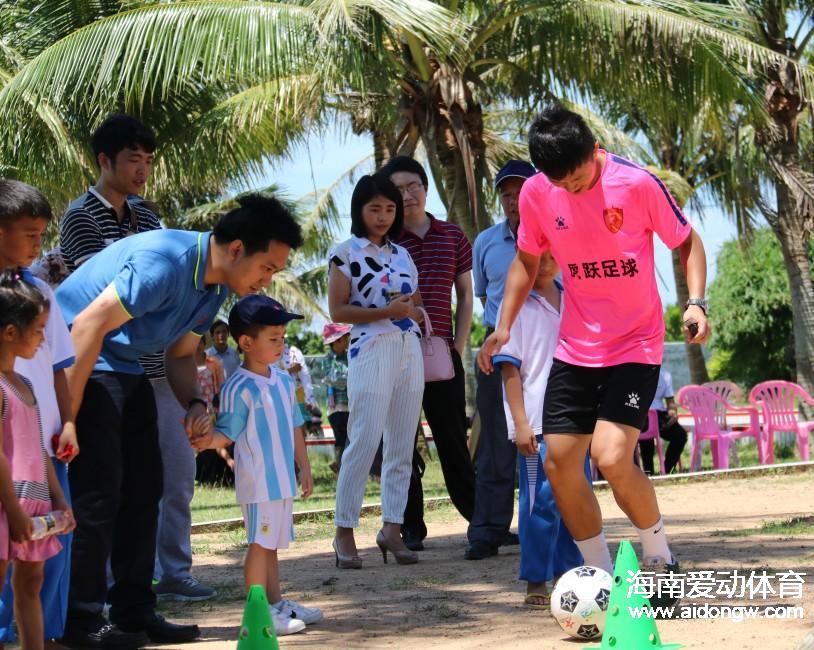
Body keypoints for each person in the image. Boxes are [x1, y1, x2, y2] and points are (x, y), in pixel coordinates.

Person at [478, 102, 710, 607]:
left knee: (609, 455)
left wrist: (695, 303)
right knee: (559, 463)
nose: (573, 190)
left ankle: (659, 556)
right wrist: (503, 327)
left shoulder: (637, 183)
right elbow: (526, 259)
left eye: (579, 179)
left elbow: (687, 242)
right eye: (562, 183)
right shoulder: (541, 192)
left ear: (593, 150)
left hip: (635, 344)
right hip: (577, 347)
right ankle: (601, 578)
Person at [56, 194, 302, 647]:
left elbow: (181, 354)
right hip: (79, 361)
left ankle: (133, 612)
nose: (269, 280)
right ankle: (81, 620)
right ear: (235, 250)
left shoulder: (215, 290)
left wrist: (193, 404)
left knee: (147, 488)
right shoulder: (165, 262)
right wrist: (68, 417)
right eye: (267, 267)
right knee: (99, 493)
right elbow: (87, 326)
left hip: (128, 367)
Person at [190, 295, 319, 635]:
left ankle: (276, 606)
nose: (281, 345)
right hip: (259, 483)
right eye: (273, 339)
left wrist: (304, 466)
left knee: (271, 545)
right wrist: (206, 442)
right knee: (260, 545)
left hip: (281, 482)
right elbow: (227, 433)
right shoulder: (238, 387)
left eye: (282, 338)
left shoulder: (282, 379)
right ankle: (258, 613)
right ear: (246, 342)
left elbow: (295, 424)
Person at [329, 174, 425, 568]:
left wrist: (413, 311)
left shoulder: (403, 254)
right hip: (369, 348)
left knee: (403, 444)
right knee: (364, 439)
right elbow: (338, 312)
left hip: (408, 348)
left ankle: (392, 527)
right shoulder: (344, 253)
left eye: (389, 208)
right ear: (359, 211)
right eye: (375, 208)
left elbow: (415, 301)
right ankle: (343, 530)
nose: (383, 216)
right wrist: (388, 311)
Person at [381, 155, 475, 551]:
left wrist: (459, 344)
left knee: (453, 439)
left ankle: (481, 522)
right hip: (395, 355)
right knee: (402, 442)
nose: (408, 195)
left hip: (442, 353)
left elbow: (466, 293)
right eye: (398, 190)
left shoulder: (452, 235)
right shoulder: (383, 243)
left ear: (425, 186)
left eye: (413, 186)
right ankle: (410, 528)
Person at [0, 180, 79, 645]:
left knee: (40, 572)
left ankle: (42, 637)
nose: (36, 242)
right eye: (27, 232)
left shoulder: (42, 293)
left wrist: (68, 421)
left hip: (42, 451)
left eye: (40, 232)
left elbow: (60, 367)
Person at [494, 252, 587, 607]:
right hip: (537, 423)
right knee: (538, 503)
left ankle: (570, 574)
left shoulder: (575, 297)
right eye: (539, 255)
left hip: (577, 423)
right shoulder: (515, 305)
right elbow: (509, 369)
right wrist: (520, 423)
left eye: (554, 253)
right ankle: (535, 579)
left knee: (575, 500)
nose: (547, 262)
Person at [465, 160, 536, 560]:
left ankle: (547, 523)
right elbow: (484, 300)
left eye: (520, 191)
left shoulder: (558, 237)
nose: (513, 200)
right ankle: (487, 530)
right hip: (498, 350)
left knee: (547, 441)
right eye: (506, 194)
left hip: (545, 352)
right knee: (493, 442)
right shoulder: (486, 243)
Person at [641, 368, 687, 475]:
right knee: (646, 440)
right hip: (642, 412)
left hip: (660, 415)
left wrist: (673, 412)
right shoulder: (636, 373)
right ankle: (648, 473)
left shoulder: (665, 375)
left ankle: (668, 469)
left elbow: (670, 402)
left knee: (680, 435)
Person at [321, 323, 352, 473]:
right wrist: (350, 377)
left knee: (350, 437)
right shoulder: (328, 360)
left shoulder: (350, 356)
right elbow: (334, 379)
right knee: (341, 437)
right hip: (336, 407)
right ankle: (340, 466)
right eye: (346, 338)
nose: (348, 340)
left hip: (351, 404)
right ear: (338, 340)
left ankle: (342, 466)